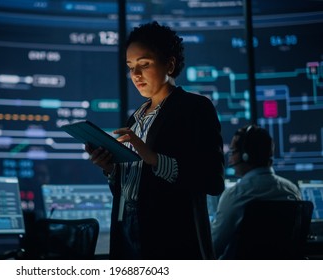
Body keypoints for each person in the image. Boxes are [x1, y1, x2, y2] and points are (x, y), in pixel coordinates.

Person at [85, 21, 225, 259]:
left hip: (172, 238)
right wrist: (110, 169)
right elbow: (134, 188)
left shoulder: (195, 108)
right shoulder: (135, 118)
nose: (135, 75)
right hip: (127, 230)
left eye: (144, 64)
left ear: (169, 64)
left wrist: (153, 158)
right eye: (131, 67)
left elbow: (213, 180)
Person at [210, 124, 301, 259]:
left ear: (246, 156)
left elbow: (213, 247)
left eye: (233, 152)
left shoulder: (235, 195)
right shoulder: (291, 191)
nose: (230, 158)